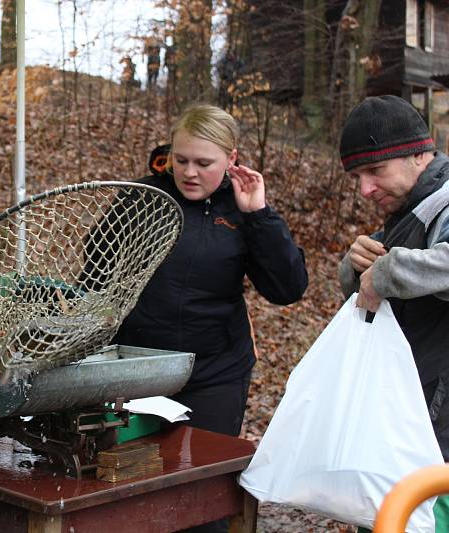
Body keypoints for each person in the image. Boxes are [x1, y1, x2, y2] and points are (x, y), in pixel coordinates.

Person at [111, 104, 308, 532]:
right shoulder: (142, 199)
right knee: (134, 489)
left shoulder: (242, 210)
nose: (190, 172)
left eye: (204, 163)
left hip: (215, 372)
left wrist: (259, 215)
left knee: (204, 500)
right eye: (181, 160)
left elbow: (287, 288)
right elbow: (96, 272)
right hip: (139, 368)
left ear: (232, 159)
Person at [337, 95, 449, 532]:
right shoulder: (412, 208)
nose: (364, 189)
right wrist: (356, 267)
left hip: (436, 432)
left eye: (375, 171)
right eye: (357, 176)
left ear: (421, 153)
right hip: (408, 411)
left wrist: (390, 268)